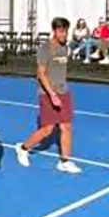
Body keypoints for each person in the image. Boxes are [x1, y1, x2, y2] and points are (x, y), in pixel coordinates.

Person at [15, 17, 82, 174]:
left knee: (66, 126)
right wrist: (52, 95)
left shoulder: (65, 47)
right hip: (47, 93)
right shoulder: (46, 48)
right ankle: (23, 149)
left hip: (63, 91)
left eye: (65, 31)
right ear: (55, 31)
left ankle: (64, 161)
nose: (63, 34)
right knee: (47, 130)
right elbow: (40, 74)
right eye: (60, 31)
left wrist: (61, 91)